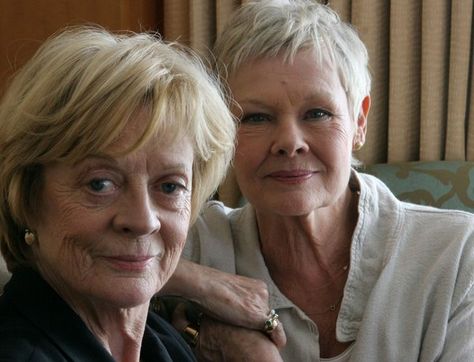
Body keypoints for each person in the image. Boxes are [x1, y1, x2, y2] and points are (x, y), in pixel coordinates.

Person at [161, 1, 474, 361]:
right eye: (257, 118)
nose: (289, 143)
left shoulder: (457, 257)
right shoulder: (193, 245)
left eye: (317, 113)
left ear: (359, 121)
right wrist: (196, 282)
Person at [0, 26, 235, 361]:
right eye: (100, 184)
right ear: (26, 197)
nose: (142, 220)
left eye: (169, 186)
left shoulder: (163, 343)